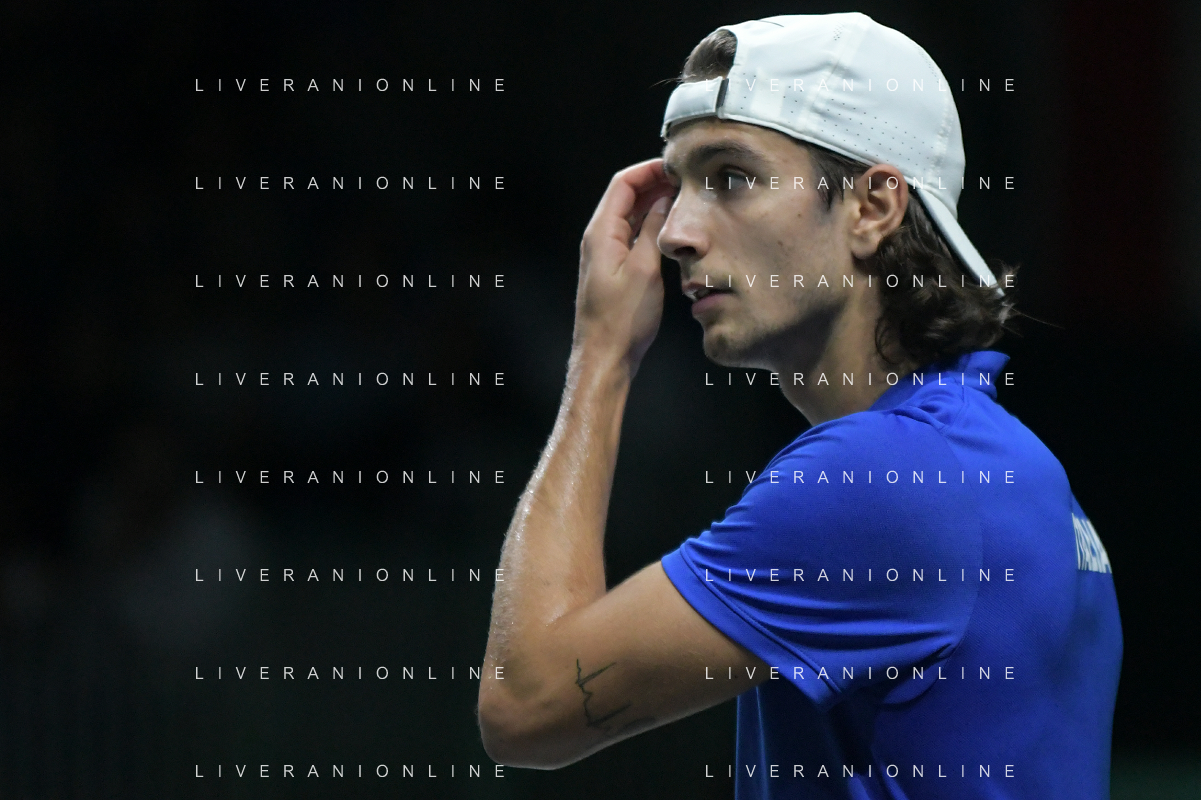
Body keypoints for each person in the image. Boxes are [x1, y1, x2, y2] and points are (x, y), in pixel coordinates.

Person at [477, 12, 1121, 799]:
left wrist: (601, 358)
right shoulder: (1014, 468)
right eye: (677, 187)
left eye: (730, 178)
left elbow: (524, 705)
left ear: (872, 207)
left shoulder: (880, 477)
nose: (674, 233)